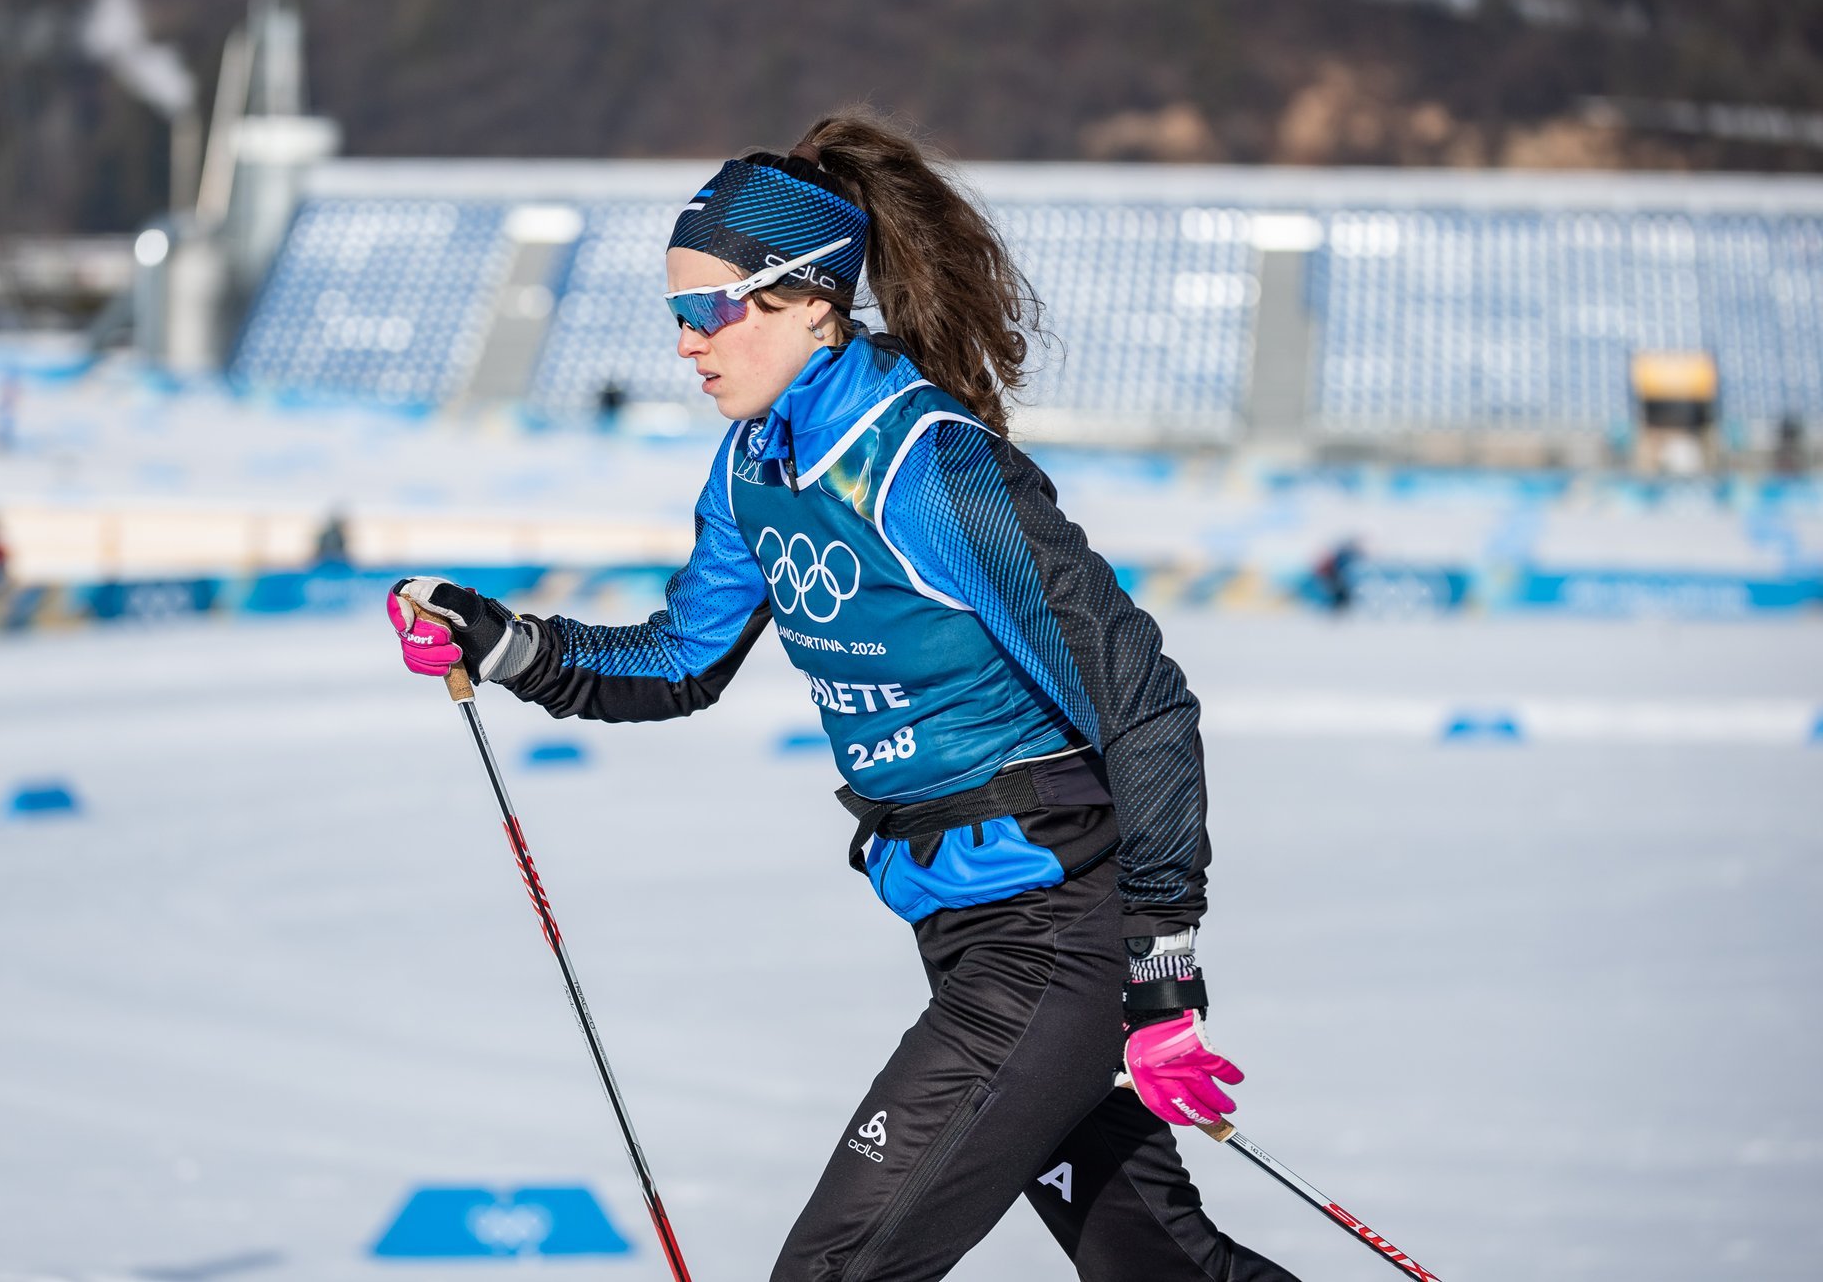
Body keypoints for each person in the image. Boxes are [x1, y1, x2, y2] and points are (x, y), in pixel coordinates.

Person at [387, 111, 1297, 1282]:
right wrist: (509, 642)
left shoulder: (925, 462)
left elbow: (1143, 699)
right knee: (1159, 1266)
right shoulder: (754, 462)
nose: (686, 344)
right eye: (674, 315)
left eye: (706, 310)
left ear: (808, 300)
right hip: (963, 928)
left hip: (1048, 933)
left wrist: (1160, 962)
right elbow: (677, 660)